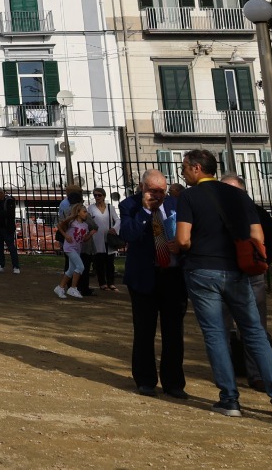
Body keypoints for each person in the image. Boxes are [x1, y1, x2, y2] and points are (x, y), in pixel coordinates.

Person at [170, 148, 272, 416]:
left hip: (202, 269)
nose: (183, 173)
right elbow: (257, 237)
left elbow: (183, 239)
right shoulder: (239, 196)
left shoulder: (189, 196)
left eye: (184, 168)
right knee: (254, 332)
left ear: (197, 168)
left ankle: (229, 399)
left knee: (216, 334)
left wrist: (179, 247)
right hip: (236, 270)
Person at [119, 170, 187, 398]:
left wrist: (181, 246)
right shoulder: (129, 206)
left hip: (172, 276)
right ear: (142, 187)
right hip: (144, 276)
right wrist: (146, 211)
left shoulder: (176, 204)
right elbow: (128, 234)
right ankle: (145, 379)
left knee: (173, 332)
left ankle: (174, 382)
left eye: (162, 191)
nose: (158, 195)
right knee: (144, 330)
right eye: (153, 191)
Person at [219, 173, 272, 389]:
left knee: (255, 326)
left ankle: (256, 374)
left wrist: (261, 263)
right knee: (222, 327)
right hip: (223, 274)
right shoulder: (215, 213)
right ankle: (226, 375)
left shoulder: (257, 212)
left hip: (252, 275)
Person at [88, 187, 121, 291]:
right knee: (99, 261)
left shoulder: (110, 207)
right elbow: (89, 221)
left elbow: (117, 220)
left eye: (99, 195)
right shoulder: (91, 208)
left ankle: (111, 282)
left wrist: (114, 229)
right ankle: (102, 282)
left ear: (104, 196)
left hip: (109, 237)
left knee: (110, 262)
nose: (97, 197)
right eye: (95, 195)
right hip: (97, 238)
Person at [55, 203, 89, 299]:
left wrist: (90, 234)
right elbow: (59, 225)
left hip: (77, 248)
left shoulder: (85, 225)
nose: (86, 214)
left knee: (71, 270)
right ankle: (73, 288)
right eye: (84, 212)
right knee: (80, 267)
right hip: (69, 247)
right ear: (78, 213)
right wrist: (66, 235)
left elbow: (84, 239)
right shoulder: (72, 222)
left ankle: (60, 287)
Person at [0, 187, 20, 274]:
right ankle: (0, 265)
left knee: (11, 247)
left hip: (7, 228)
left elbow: (11, 214)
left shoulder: (9, 201)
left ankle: (16, 266)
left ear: (1, 193)